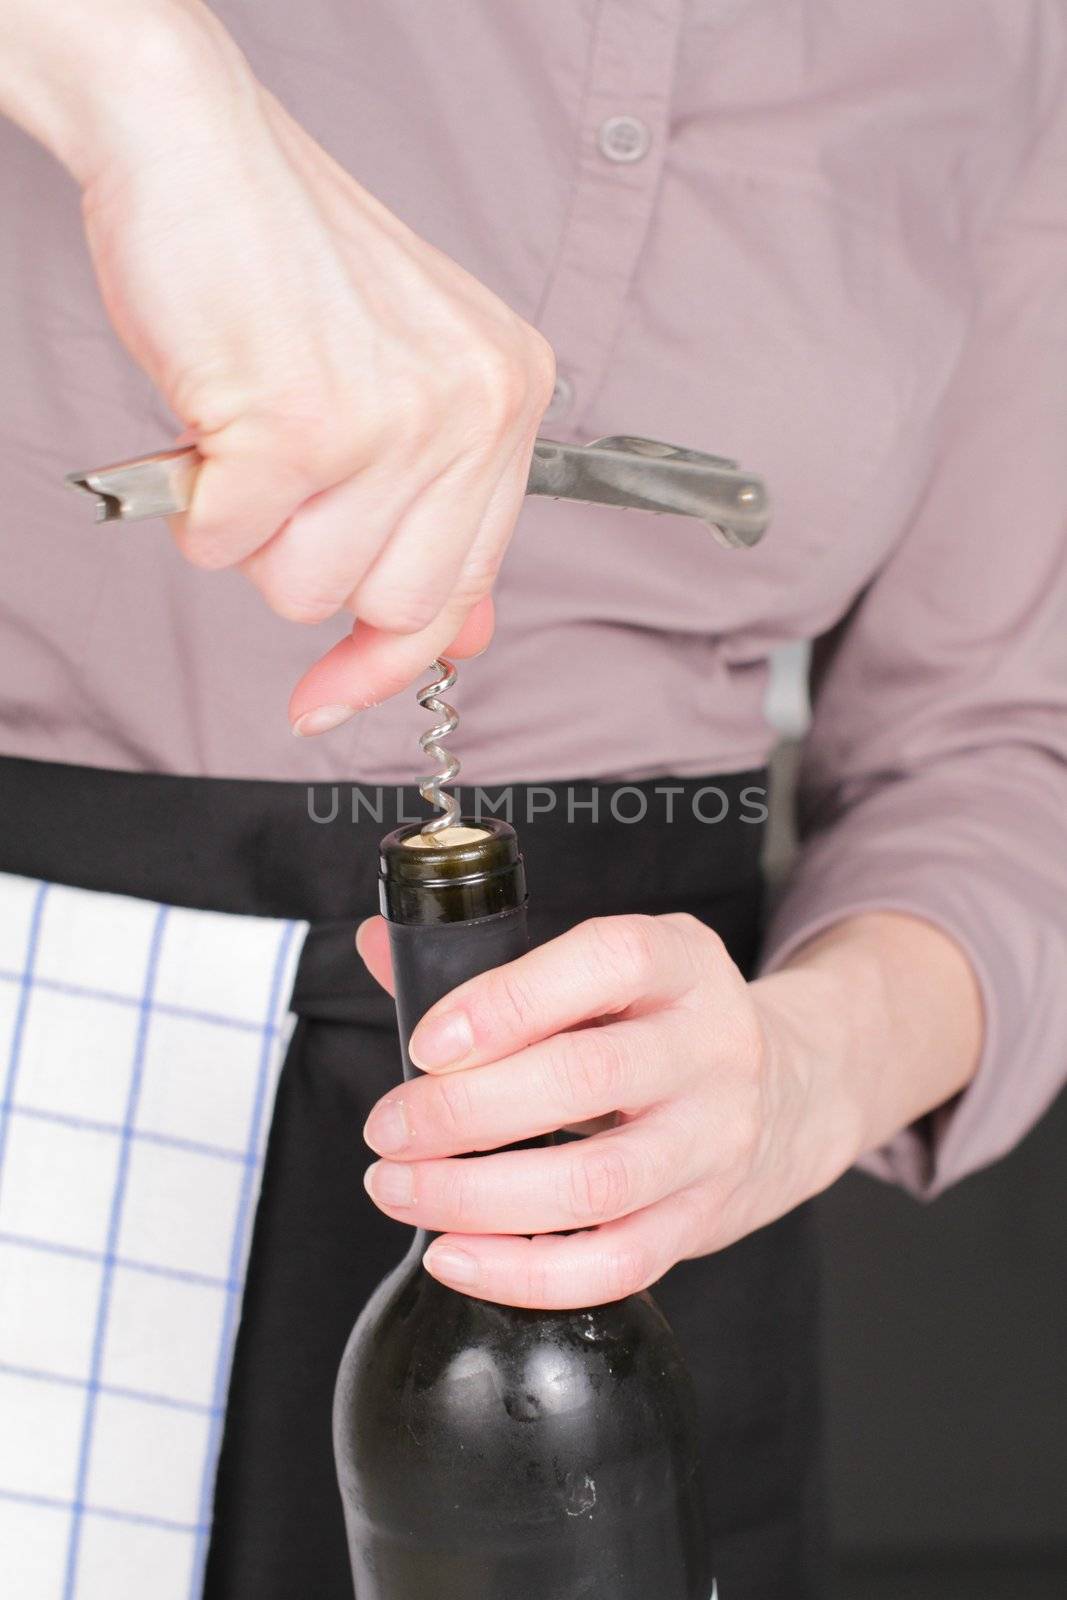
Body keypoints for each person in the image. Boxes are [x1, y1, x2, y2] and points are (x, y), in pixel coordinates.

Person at [0, 3, 1064, 1597]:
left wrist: (805, 1071)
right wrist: (154, 90)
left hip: (659, 1200)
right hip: (53, 1086)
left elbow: (1001, 751)